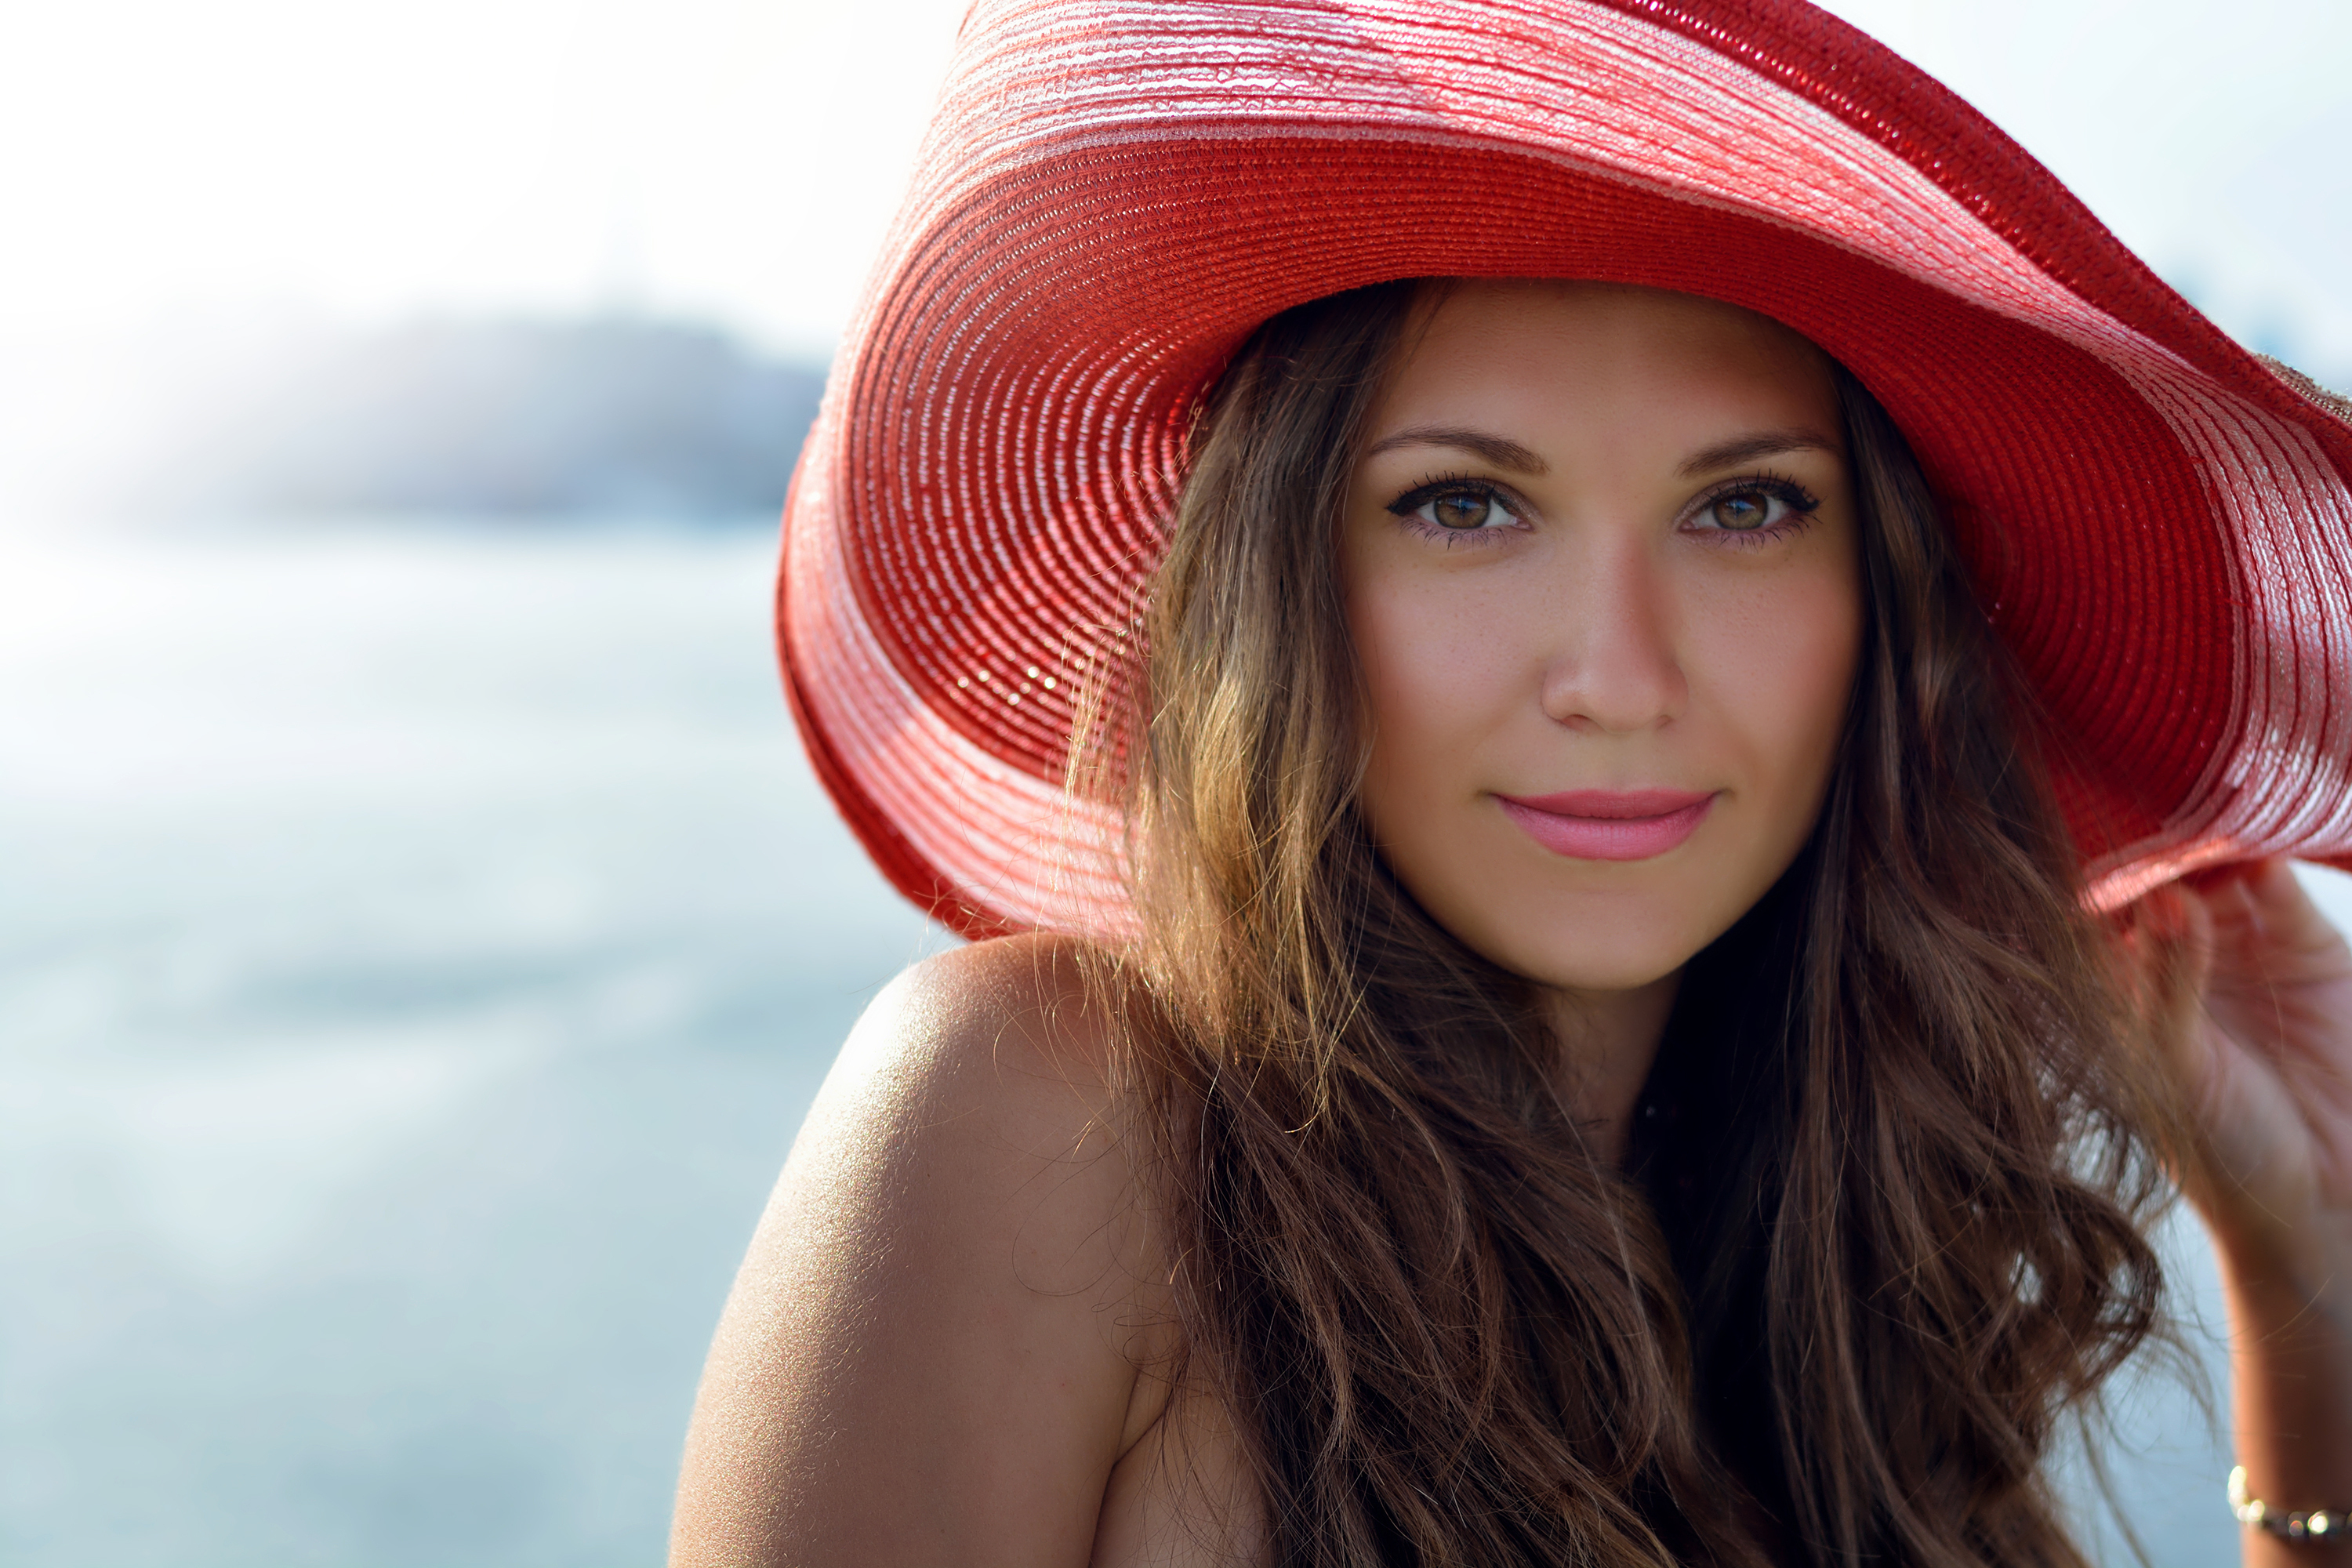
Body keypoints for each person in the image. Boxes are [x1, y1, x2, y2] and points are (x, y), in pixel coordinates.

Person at [671, 2, 2352, 1563]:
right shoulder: (1054, 1122)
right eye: (1466, 504)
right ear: (1287, 576)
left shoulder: (1853, 1289)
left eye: (1746, 506)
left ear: (1884, 611)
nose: (1617, 675)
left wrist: (2312, 1293)